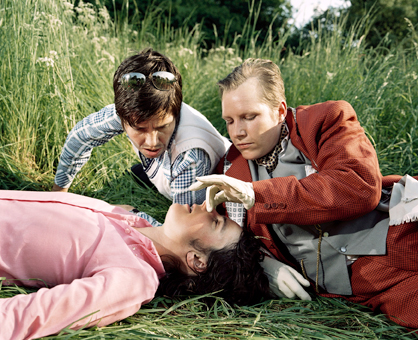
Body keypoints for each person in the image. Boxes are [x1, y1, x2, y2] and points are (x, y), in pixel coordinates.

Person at [190, 58, 418, 329]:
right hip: (371, 287)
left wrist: (257, 195)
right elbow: (221, 237)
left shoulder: (327, 120)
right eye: (229, 120)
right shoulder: (230, 169)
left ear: (279, 111)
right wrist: (263, 265)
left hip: (401, 232)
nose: (238, 132)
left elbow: (360, 187)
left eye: (249, 117)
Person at [0, 190, 270, 340]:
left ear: (198, 261)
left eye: (215, 222)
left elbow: (43, 312)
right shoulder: (131, 220)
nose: (209, 208)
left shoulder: (134, 277)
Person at [52, 48, 230, 205]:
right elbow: (79, 137)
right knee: (137, 173)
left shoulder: (191, 156)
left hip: (200, 185)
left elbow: (184, 231)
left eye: (162, 127)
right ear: (121, 116)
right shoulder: (130, 112)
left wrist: (130, 213)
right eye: (140, 129)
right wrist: (58, 194)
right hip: (170, 175)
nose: (152, 142)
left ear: (175, 112)